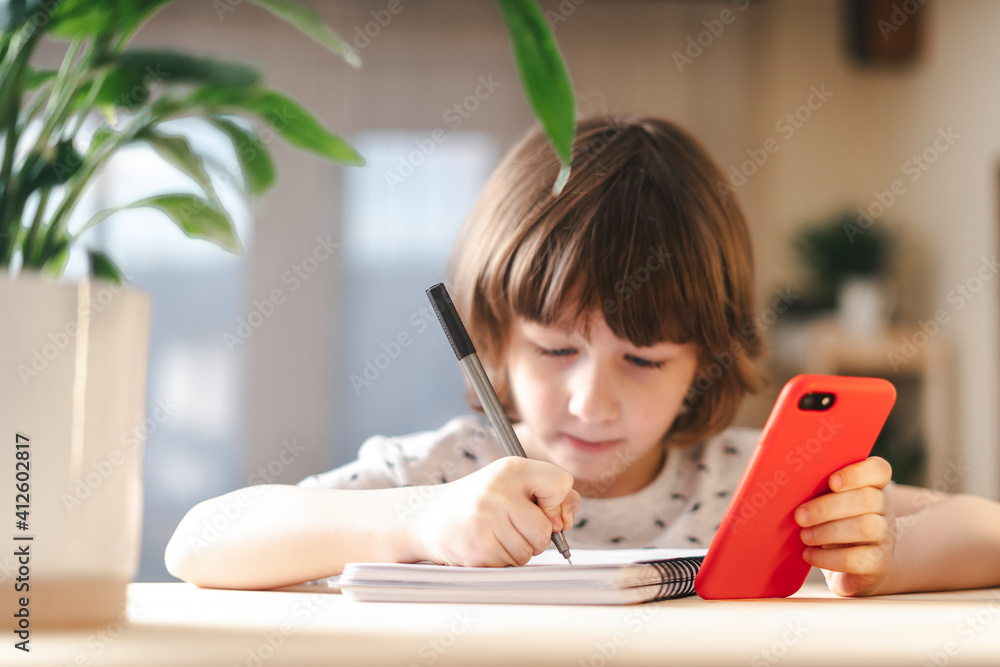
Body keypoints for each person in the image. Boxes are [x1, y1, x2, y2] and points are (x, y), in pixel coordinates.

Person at [165, 115, 1000, 596]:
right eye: (556, 346)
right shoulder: (446, 475)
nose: (591, 401)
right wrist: (418, 521)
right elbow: (201, 540)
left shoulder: (762, 482)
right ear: (490, 335)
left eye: (642, 360)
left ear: (704, 360)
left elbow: (988, 533)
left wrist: (884, 556)